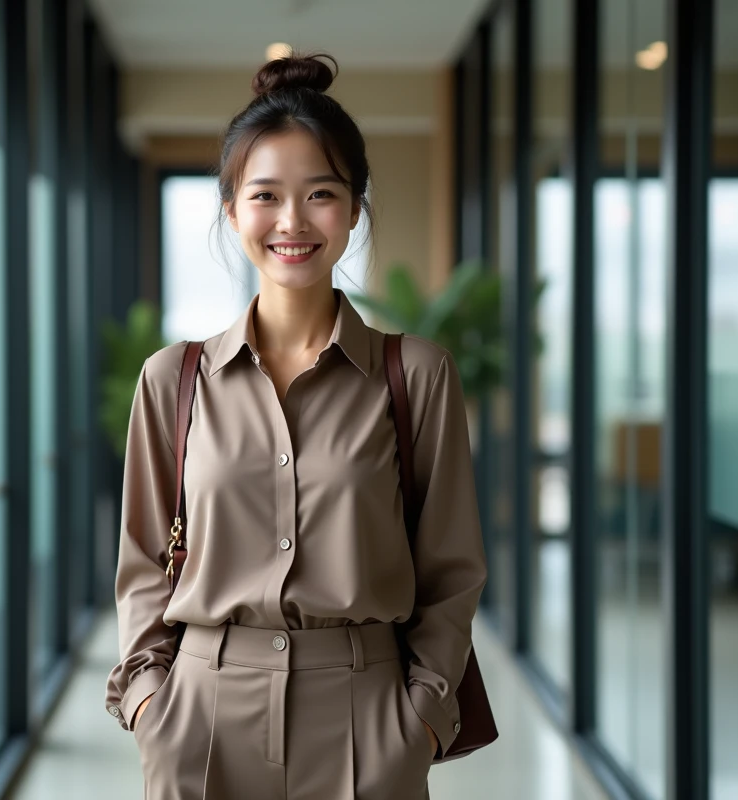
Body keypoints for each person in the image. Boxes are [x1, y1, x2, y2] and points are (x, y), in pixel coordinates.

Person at [105, 52, 487, 800]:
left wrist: (422, 721)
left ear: (354, 209)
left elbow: (452, 572)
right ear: (231, 210)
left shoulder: (417, 374)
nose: (292, 222)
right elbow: (142, 567)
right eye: (265, 195)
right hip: (201, 719)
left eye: (320, 193)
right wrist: (152, 706)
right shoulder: (171, 381)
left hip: (368, 719)